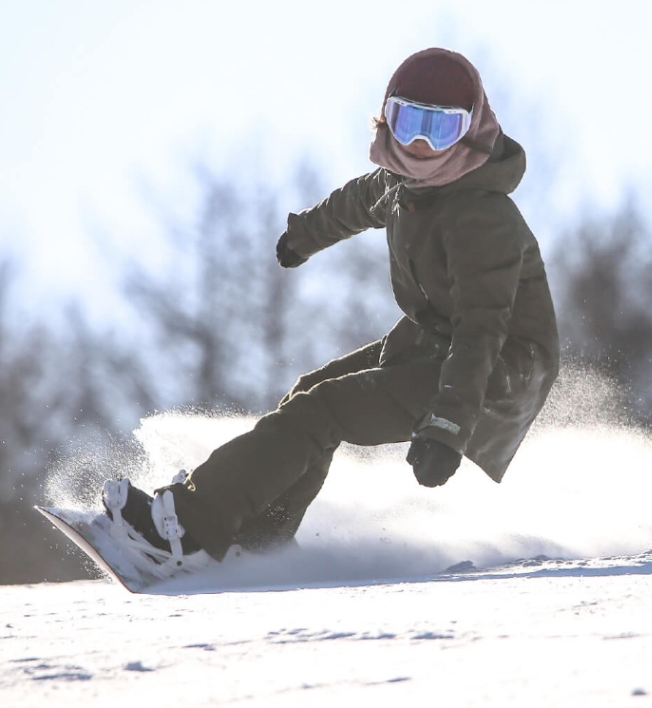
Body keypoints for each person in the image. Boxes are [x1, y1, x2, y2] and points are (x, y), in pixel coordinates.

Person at [102, 48, 560, 574]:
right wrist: (305, 236)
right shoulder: (403, 184)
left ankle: (188, 528)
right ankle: (254, 539)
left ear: (472, 131)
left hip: (497, 368)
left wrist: (447, 428)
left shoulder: (483, 216)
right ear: (386, 116)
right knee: (308, 393)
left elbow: (482, 330)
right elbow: (357, 202)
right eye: (409, 121)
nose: (419, 144)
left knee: (324, 409)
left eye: (441, 130)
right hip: (437, 342)